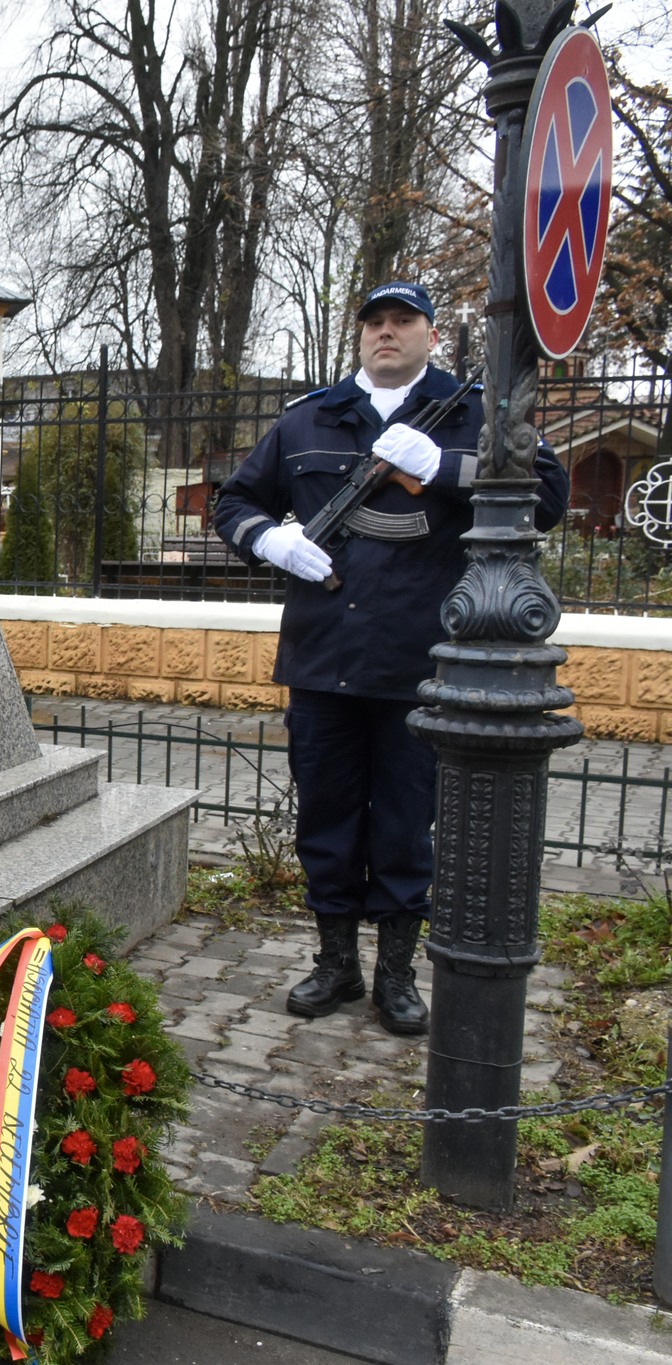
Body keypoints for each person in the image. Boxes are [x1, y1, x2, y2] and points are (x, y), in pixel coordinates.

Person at [213, 281, 569, 1036]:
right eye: (373, 321)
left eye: (403, 320)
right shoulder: (308, 417)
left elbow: (547, 497)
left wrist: (445, 468)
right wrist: (270, 539)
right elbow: (233, 501)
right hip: (322, 659)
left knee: (407, 827)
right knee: (327, 819)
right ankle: (335, 962)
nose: (386, 333)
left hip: (423, 664)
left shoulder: (476, 414)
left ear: (431, 334)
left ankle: (396, 973)